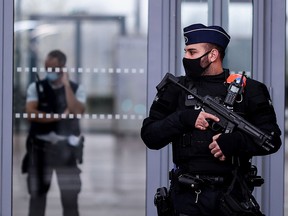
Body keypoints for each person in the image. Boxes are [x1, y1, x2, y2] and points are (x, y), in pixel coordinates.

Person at [141, 23, 282, 216]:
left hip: (233, 195)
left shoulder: (249, 90)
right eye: (186, 52)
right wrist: (184, 119)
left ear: (213, 55)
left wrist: (236, 142)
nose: (186, 58)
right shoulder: (176, 89)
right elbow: (150, 136)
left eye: (192, 52)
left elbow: (272, 140)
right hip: (188, 197)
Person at [22, 50, 86, 216]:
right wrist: (58, 117)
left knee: (70, 200)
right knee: (37, 198)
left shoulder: (76, 89)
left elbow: (76, 111)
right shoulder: (35, 87)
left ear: (63, 68)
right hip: (40, 150)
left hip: (66, 152)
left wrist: (66, 85)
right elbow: (31, 114)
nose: (49, 72)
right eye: (47, 68)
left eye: (54, 68)